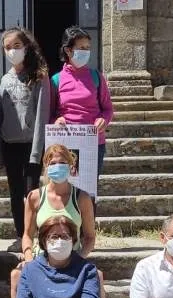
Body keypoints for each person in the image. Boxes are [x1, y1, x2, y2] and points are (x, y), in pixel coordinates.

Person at [1, 144, 122, 298]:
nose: (57, 167)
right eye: (52, 163)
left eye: (62, 162)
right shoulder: (35, 197)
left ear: (71, 166)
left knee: (98, 276)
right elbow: (26, 235)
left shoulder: (82, 198)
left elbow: (89, 237)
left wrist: (80, 258)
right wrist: (29, 259)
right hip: (41, 258)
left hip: (72, 256)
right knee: (16, 276)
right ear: (46, 167)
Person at [0, 27, 50, 252]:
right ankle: (21, 235)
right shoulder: (4, 79)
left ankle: (34, 235)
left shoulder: (39, 76)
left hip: (31, 145)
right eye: (8, 47)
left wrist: (38, 150)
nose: (12, 51)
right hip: (10, 145)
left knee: (31, 193)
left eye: (17, 46)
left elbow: (42, 114)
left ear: (27, 47)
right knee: (15, 192)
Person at [51, 26, 114, 191]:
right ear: (68, 50)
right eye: (81, 48)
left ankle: (90, 218)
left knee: (88, 192)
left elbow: (108, 109)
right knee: (67, 191)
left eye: (88, 48)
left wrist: (103, 120)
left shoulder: (96, 77)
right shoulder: (56, 80)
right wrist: (56, 120)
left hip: (93, 143)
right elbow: (48, 114)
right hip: (66, 145)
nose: (86, 52)